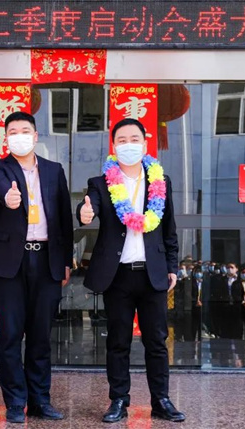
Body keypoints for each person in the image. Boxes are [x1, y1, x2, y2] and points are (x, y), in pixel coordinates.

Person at [77, 118, 185, 423]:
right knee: (118, 341)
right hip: (118, 275)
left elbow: (169, 229)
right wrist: (84, 212)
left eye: (134, 139)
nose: (128, 144)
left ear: (145, 143)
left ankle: (161, 400)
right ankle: (118, 401)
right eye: (121, 140)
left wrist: (172, 266)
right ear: (114, 146)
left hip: (153, 273)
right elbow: (88, 208)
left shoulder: (160, 181)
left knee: (157, 341)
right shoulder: (100, 183)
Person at [0, 111, 73, 423]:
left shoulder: (53, 170)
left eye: (25, 131)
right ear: (6, 138)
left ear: (35, 136)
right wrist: (8, 196)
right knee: (10, 334)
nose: (19, 136)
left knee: (40, 336)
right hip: (10, 262)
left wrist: (65, 261)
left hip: (47, 259)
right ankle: (14, 401)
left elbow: (64, 218)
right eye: (13, 132)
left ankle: (40, 401)